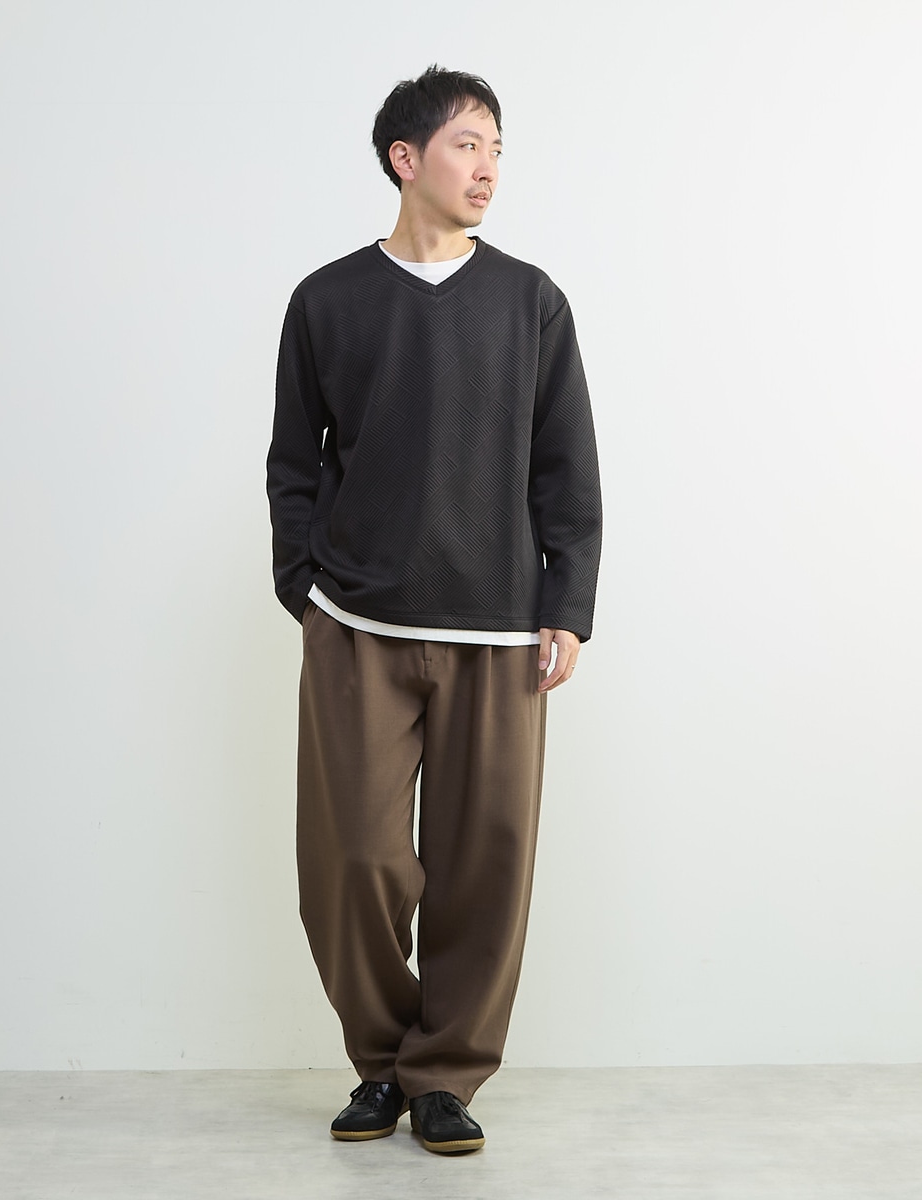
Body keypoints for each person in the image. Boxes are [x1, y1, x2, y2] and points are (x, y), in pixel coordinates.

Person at [266, 64, 601, 1155]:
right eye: (468, 144)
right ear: (404, 159)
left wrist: (568, 602)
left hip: (499, 629)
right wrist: (306, 590)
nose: (489, 167)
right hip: (357, 625)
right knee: (353, 862)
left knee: (484, 867)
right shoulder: (326, 301)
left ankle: (445, 1076)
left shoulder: (531, 302)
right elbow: (293, 464)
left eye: (497, 147)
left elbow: (565, 465)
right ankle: (381, 1061)